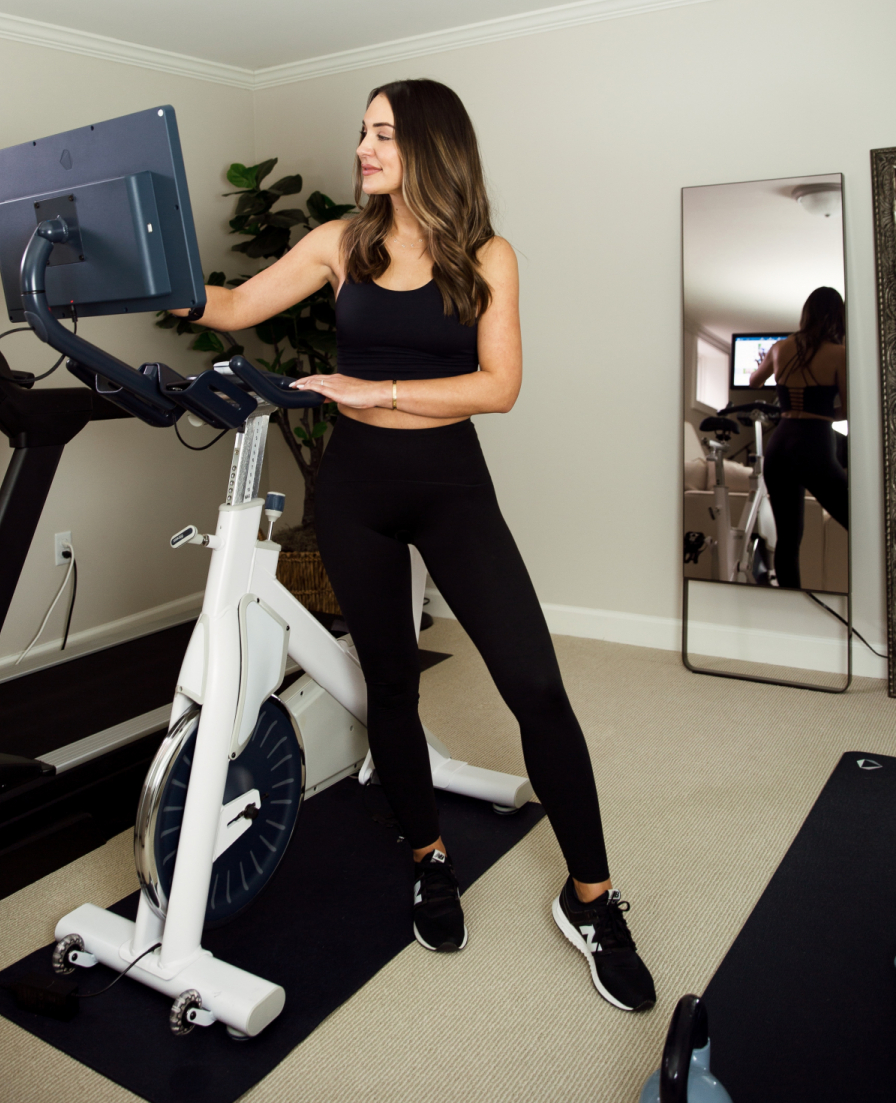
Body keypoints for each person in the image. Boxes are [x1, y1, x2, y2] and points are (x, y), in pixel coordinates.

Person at [176, 78, 655, 1012]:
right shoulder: (341, 245)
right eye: (362, 132)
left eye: (383, 134)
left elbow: (497, 385)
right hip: (356, 493)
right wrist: (141, 279)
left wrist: (370, 390)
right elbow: (233, 307)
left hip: (450, 491)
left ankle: (591, 899)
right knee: (390, 683)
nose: (363, 147)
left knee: (536, 687)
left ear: (430, 145)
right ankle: (429, 860)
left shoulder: (486, 255)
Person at [749, 287, 848, 592]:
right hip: (815, 445)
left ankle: (789, 607)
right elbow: (850, 407)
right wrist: (822, 410)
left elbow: (754, 381)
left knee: (788, 540)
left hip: (780, 445)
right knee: (861, 523)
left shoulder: (780, 347)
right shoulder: (838, 353)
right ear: (837, 316)